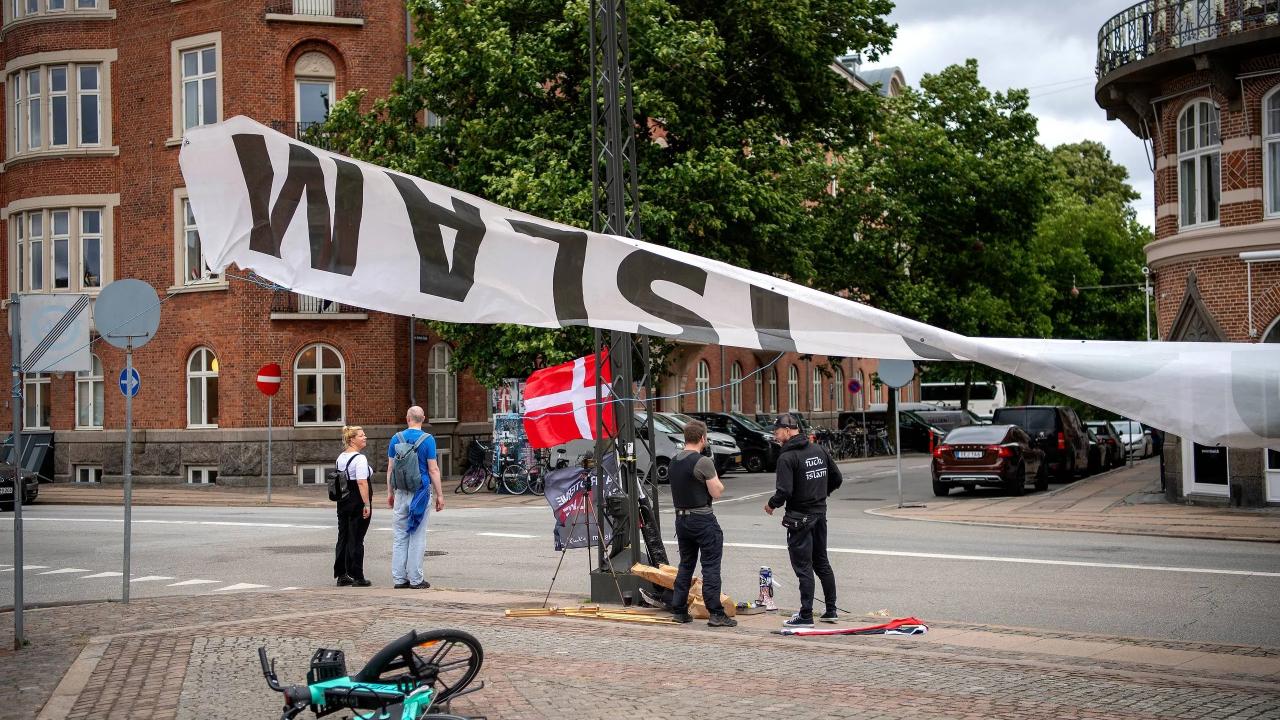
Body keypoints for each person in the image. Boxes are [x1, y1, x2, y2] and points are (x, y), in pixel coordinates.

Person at [763, 413, 843, 628]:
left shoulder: (787, 457)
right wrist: (820, 494)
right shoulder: (818, 449)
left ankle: (806, 615)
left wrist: (772, 504)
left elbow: (785, 490)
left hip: (799, 517)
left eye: (777, 432)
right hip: (819, 513)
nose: (776, 436)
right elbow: (837, 478)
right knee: (821, 561)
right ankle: (831, 610)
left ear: (788, 431)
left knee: (804, 567)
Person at [669, 420, 737, 628]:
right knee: (710, 566)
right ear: (702, 439)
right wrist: (719, 484)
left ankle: (679, 610)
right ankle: (715, 613)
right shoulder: (703, 462)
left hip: (681, 519)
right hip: (702, 519)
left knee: (686, 565)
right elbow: (716, 492)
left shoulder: (674, 461)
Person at [387, 406, 445, 589]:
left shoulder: (396, 438)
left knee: (400, 535)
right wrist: (440, 495)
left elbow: (390, 469)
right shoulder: (428, 440)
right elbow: (433, 469)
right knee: (417, 535)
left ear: (407, 418)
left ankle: (399, 578)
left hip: (401, 492)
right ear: (423, 418)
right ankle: (416, 578)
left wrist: (390, 493)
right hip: (420, 493)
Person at [334, 425, 372, 587]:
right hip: (357, 499)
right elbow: (362, 482)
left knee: (343, 536)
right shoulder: (360, 459)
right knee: (357, 538)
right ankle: (358, 576)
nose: (365, 437)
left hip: (343, 500)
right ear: (352, 440)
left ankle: (342, 574)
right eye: (361, 435)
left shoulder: (340, 457)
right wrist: (367, 504)